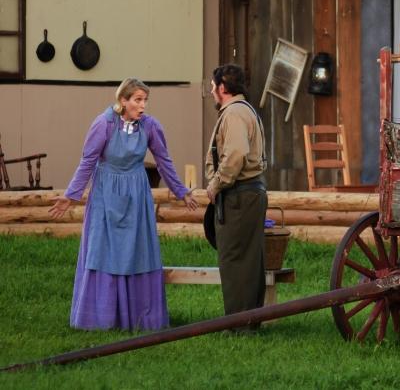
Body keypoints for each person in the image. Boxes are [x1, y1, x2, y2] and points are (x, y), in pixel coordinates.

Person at [49, 78, 198, 331]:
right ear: (123, 101)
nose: (142, 105)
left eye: (145, 100)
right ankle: (101, 317)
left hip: (136, 194)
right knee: (103, 249)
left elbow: (164, 161)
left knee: (137, 249)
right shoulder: (104, 124)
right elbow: (87, 161)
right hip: (106, 192)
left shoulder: (150, 126)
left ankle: (141, 317)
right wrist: (71, 195)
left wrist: (181, 190)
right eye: (137, 100)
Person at [205, 64, 268, 326]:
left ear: (222, 88)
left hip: (239, 195)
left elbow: (236, 154)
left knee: (234, 259)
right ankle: (249, 319)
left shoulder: (234, 114)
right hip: (249, 193)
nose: (211, 92)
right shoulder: (244, 110)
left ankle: (238, 324)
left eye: (212, 87)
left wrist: (216, 185)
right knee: (248, 260)